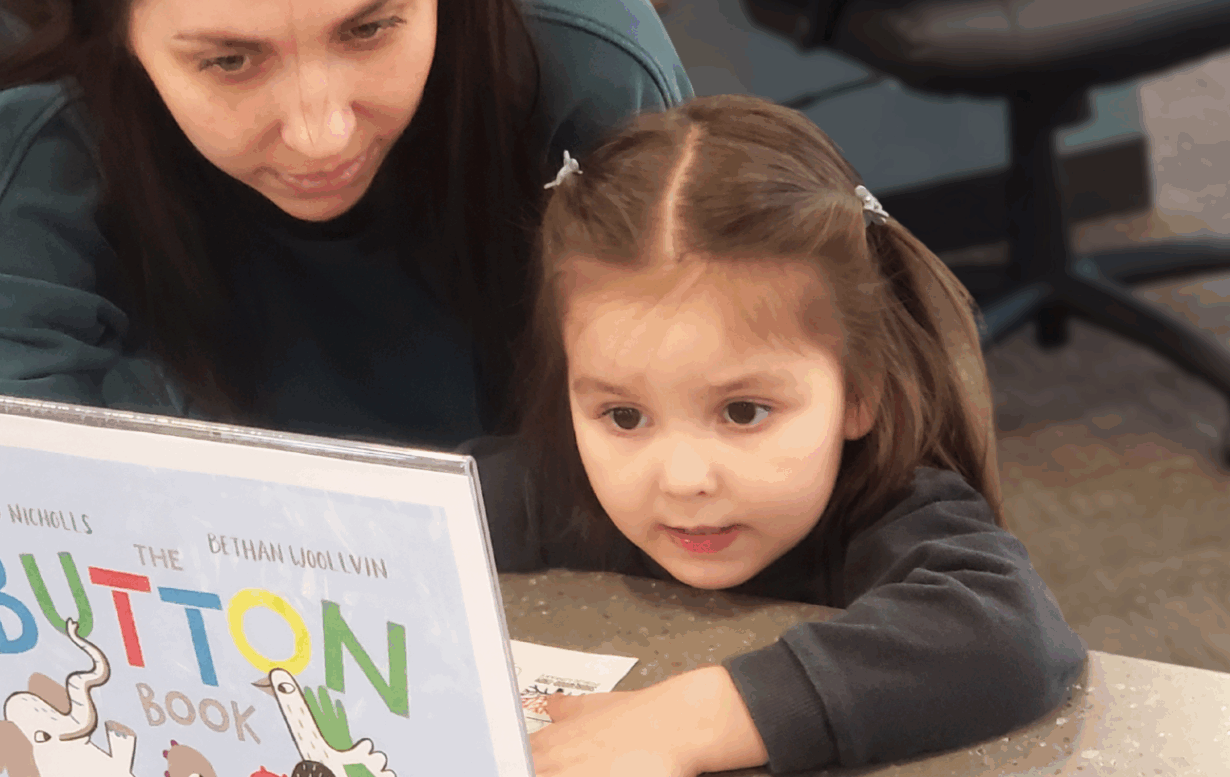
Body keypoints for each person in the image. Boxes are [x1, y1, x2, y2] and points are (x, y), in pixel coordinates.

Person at [0, 0, 693, 450]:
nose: (320, 136)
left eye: (369, 30)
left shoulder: (579, 58)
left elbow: (703, 411)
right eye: (230, 61)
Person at [466, 95, 1089, 775]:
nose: (681, 479)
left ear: (858, 393)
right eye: (623, 417)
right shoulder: (553, 488)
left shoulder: (889, 512)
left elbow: (1010, 636)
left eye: (741, 412)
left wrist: (696, 719)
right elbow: (375, 524)